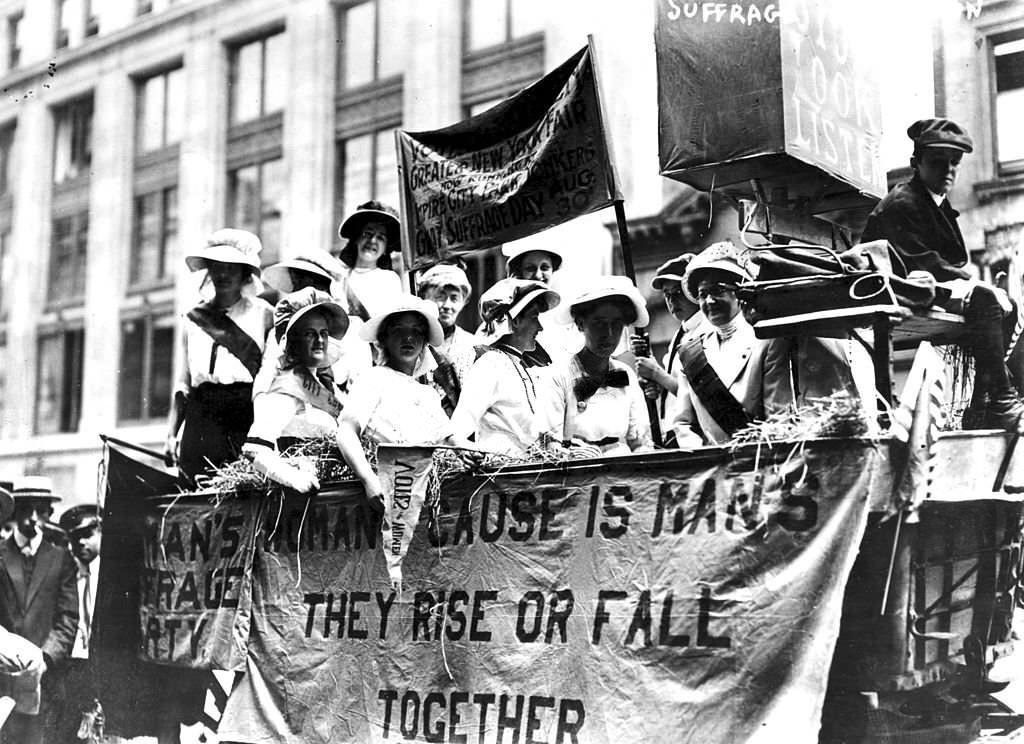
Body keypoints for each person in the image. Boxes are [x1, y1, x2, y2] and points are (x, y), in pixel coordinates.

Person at [861, 117, 1024, 430]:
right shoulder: (902, 203)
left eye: (955, 163)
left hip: (921, 285)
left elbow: (944, 263)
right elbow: (923, 262)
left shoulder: (935, 202)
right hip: (895, 288)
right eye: (938, 162)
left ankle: (984, 405)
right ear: (916, 163)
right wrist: (973, 282)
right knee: (987, 300)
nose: (949, 170)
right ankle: (1001, 401)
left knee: (1009, 305)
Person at [165, 229, 274, 485]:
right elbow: (183, 384)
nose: (223, 274)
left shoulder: (264, 315)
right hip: (201, 418)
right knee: (195, 492)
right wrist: (171, 433)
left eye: (231, 267)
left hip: (245, 415)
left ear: (245, 273)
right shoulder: (192, 319)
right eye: (217, 266)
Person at [336, 297, 465, 505]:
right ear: (384, 338)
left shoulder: (428, 394)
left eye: (416, 331)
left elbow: (450, 439)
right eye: (398, 330)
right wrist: (369, 480)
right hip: (387, 491)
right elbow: (346, 431)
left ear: (425, 340)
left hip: (424, 495)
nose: (408, 338)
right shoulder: (374, 378)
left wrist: (474, 454)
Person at [243, 288, 350, 493]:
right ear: (293, 340)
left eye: (324, 333)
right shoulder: (286, 385)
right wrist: (294, 479)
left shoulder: (327, 386)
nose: (320, 340)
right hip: (301, 500)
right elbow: (254, 450)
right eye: (310, 333)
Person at [0, 477, 78, 744]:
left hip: (47, 681)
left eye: (41, 511)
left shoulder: (61, 558)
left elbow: (68, 618)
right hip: (3, 681)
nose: (33, 519)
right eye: (26, 510)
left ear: (49, 513)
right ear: (14, 511)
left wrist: (45, 659)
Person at [541, 277, 654, 456]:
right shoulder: (558, 376)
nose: (608, 334)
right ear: (580, 324)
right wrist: (570, 455)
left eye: (616, 325)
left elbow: (640, 441)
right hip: (576, 472)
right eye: (599, 324)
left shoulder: (626, 375)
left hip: (623, 472)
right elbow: (550, 445)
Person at [671, 242, 769, 447]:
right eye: (702, 294)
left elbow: (777, 414)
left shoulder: (764, 342)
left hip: (760, 461)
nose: (709, 301)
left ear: (740, 292)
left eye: (718, 291)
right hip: (712, 470)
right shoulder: (690, 352)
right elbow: (683, 423)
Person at [451, 279, 561, 456]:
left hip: (527, 470)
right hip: (500, 471)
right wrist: (462, 448)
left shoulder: (520, 366)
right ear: (515, 320)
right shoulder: (491, 364)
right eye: (534, 318)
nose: (540, 327)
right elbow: (460, 424)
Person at [254, 250, 371, 399]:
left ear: (325, 288)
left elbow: (361, 385)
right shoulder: (281, 331)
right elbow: (267, 374)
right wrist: (261, 400)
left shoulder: (353, 329)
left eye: (308, 284)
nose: (302, 293)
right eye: (296, 284)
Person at [632, 254, 706, 445]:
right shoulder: (681, 334)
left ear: (693, 291)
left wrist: (657, 374)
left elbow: (702, 395)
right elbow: (675, 385)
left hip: (697, 435)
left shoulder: (706, 332)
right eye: (667, 295)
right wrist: (653, 373)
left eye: (678, 292)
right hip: (675, 433)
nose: (672, 301)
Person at [54, 504, 101, 742]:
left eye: (87, 535)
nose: (80, 543)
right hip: (75, 664)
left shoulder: (110, 576)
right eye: (74, 538)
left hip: (105, 662)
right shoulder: (68, 575)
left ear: (101, 531)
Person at [416, 262, 479, 415]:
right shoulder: (412, 343)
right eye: (440, 297)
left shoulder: (473, 346)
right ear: (424, 297)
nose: (447, 305)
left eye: (454, 298)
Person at [502, 242, 580, 365]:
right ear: (519, 272)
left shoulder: (563, 313)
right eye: (530, 268)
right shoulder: (507, 313)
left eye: (544, 268)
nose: (538, 275)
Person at [337, 200, 405, 319]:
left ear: (385, 248)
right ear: (356, 239)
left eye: (380, 238)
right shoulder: (339, 275)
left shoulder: (388, 280)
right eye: (368, 234)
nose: (372, 241)